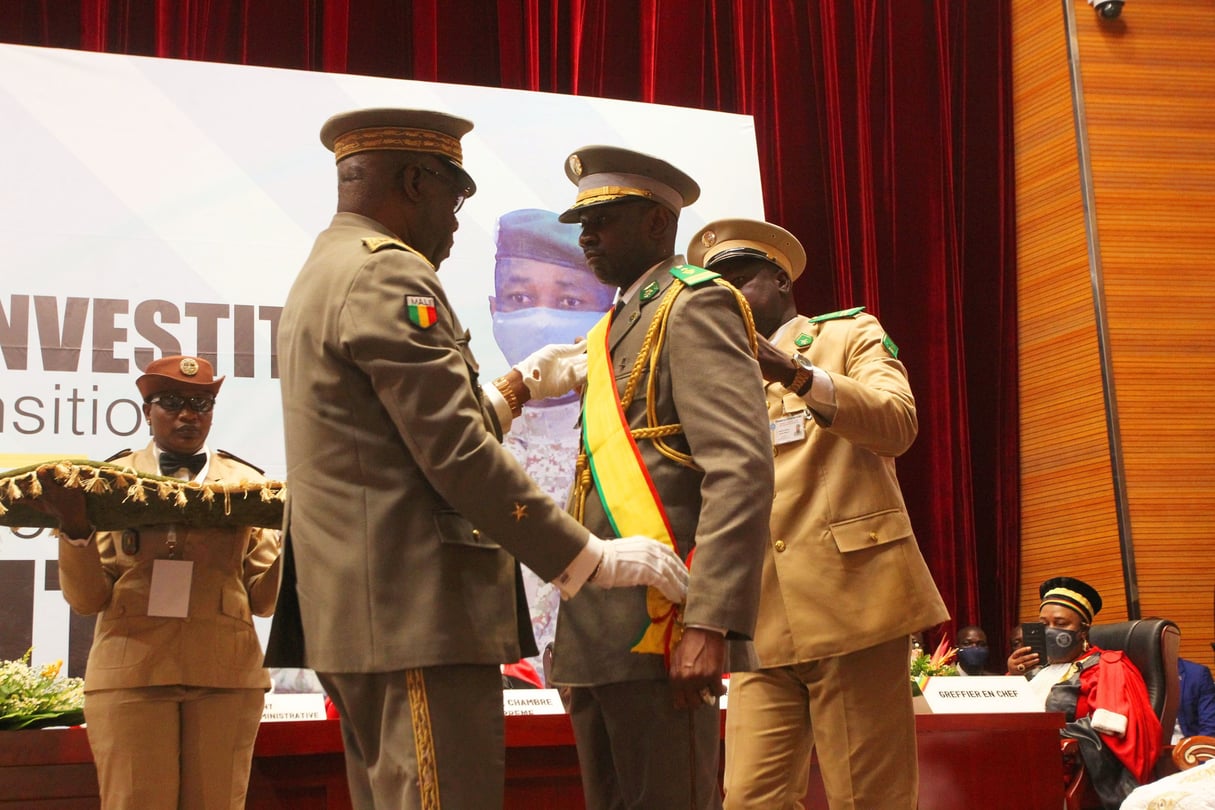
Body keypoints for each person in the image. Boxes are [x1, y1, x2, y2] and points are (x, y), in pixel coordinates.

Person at [268, 109, 689, 810]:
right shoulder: (388, 275)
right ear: (413, 180)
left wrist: (514, 389)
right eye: (453, 199)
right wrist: (584, 556)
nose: (456, 224)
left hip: (366, 608)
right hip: (416, 612)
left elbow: (392, 434)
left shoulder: (327, 267)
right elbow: (453, 450)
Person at [684, 218, 948, 810]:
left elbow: (897, 423)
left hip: (853, 602)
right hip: (759, 619)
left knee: (868, 799)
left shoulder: (847, 335)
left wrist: (797, 375)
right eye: (713, 288)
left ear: (779, 280)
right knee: (749, 800)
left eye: (740, 281)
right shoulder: (713, 374)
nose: (727, 298)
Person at [548, 147, 775, 810]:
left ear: (655, 224)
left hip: (664, 627)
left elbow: (738, 468)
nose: (585, 236)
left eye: (603, 219)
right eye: (580, 224)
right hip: (599, 628)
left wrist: (707, 622)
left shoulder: (694, 304)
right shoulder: (617, 322)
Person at [34, 354, 281, 810]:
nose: (188, 414)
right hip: (132, 673)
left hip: (224, 675)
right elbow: (87, 599)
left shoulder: (250, 487)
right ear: (147, 410)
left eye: (200, 403)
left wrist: (296, 543)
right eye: (171, 402)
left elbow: (264, 602)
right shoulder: (109, 483)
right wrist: (75, 528)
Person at [489, 208, 616, 683]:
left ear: (606, 317)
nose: (540, 319)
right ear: (494, 308)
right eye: (519, 296)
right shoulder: (464, 427)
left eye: (569, 301)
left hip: (603, 671)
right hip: (490, 678)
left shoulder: (624, 432)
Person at [1007, 576, 1160, 809]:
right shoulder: (1035, 669)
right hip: (1021, 756)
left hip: (1062, 767)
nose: (1050, 631)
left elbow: (1109, 731)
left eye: (1060, 623)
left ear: (1083, 630)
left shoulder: (1107, 666)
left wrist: (1039, 736)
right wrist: (1013, 678)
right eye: (1043, 623)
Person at [1177, 657, 1215, 740]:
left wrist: (1197, 749)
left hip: (1188, 745)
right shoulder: (1143, 674)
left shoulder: (1198, 674)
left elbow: (1210, 726)